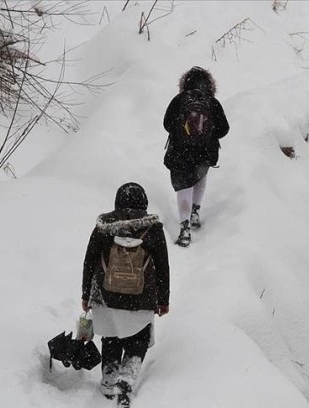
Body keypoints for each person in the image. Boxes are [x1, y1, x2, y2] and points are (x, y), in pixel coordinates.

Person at [81, 182, 170, 407]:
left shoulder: (104, 227)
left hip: (106, 295)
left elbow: (90, 261)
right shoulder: (153, 228)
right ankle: (126, 379)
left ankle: (109, 378)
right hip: (142, 296)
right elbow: (162, 266)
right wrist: (163, 300)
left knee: (111, 336)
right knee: (138, 338)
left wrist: (85, 295)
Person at [163, 66, 230, 247]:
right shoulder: (212, 102)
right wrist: (208, 135)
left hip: (179, 153)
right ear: (209, 84)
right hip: (204, 153)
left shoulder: (179, 100)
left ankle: (185, 228)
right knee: (200, 177)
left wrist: (182, 134)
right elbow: (224, 128)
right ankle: (195, 212)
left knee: (183, 187)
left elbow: (166, 123)